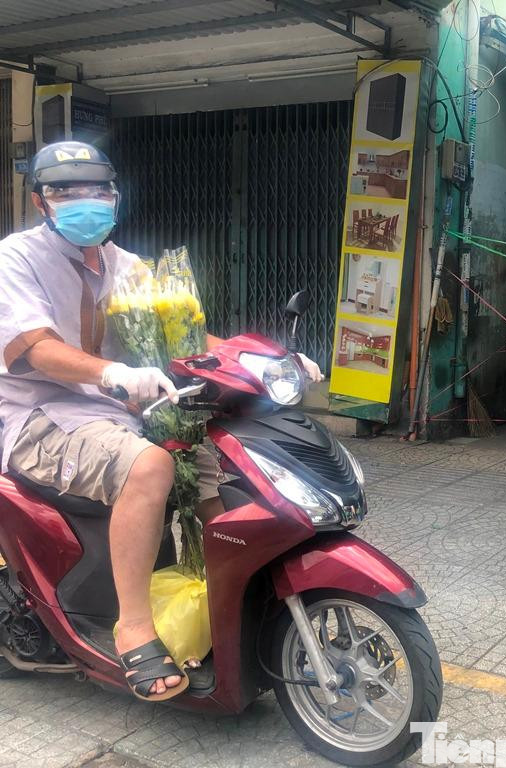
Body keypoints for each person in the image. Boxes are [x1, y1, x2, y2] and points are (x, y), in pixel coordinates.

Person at [0, 141, 324, 701]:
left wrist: (272, 360)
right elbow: (36, 349)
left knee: (211, 458)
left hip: (122, 411)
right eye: (66, 191)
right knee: (151, 466)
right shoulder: (16, 258)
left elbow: (188, 338)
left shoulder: (130, 269)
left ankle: (220, 598)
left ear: (115, 196)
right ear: (40, 201)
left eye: (97, 189)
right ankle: (133, 628)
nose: (86, 201)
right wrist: (110, 373)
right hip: (38, 416)